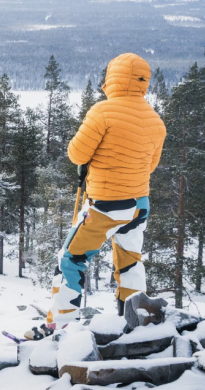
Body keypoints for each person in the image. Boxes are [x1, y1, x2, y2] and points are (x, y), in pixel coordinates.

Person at [26, 52, 166, 340]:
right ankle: (135, 320)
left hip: (104, 206)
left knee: (70, 259)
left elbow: (77, 153)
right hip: (139, 205)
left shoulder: (102, 112)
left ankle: (61, 326)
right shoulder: (155, 120)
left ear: (113, 78)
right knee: (130, 261)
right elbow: (150, 165)